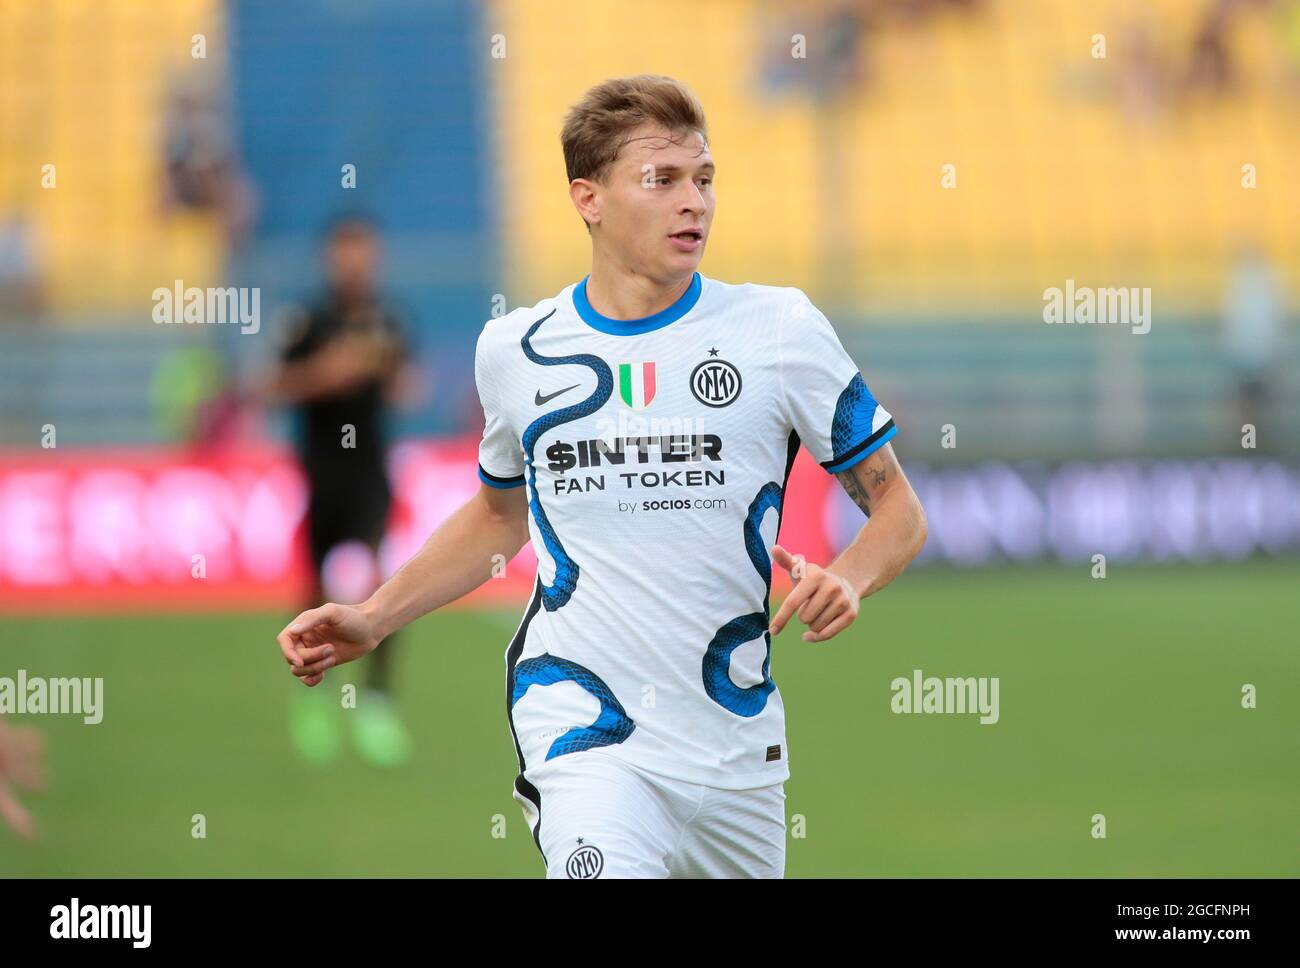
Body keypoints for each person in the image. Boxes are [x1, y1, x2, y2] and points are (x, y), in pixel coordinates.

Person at [276, 76, 927, 877]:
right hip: (585, 730)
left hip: (737, 752)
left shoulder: (779, 330)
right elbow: (497, 517)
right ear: (588, 198)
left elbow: (897, 506)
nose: (694, 202)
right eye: (662, 180)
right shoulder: (516, 350)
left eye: (705, 178)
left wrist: (853, 578)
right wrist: (375, 617)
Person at [268, 215, 417, 767]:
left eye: (364, 250)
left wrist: (394, 376)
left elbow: (406, 385)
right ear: (331, 257)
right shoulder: (308, 320)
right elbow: (275, 384)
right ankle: (315, 697)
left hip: (371, 472)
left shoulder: (390, 318)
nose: (356, 261)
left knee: (381, 579)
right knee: (316, 583)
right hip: (321, 471)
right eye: (346, 251)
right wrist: (326, 374)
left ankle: (377, 701)